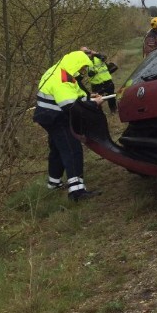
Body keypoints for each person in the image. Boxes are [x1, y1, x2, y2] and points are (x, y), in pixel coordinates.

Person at [33, 50, 104, 201]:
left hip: (46, 115)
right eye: (82, 68)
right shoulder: (63, 78)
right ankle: (77, 192)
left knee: (58, 149)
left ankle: (54, 183)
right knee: (72, 149)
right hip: (56, 117)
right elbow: (71, 107)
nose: (83, 71)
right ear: (76, 65)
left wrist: (88, 96)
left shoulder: (58, 69)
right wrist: (93, 104)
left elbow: (73, 93)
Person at [81, 47, 117, 114]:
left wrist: (95, 53)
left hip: (107, 81)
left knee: (111, 97)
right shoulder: (83, 61)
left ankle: (113, 110)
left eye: (87, 51)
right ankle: (100, 112)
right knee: (97, 99)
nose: (87, 54)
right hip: (96, 84)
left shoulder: (98, 57)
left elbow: (104, 57)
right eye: (84, 53)